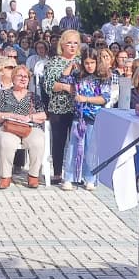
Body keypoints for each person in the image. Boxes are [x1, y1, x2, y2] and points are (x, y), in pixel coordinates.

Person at [0, 64, 46, 188]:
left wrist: (30, 117)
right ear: (13, 78)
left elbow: (43, 115)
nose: (23, 79)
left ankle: (33, 176)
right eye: (19, 76)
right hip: (9, 127)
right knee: (6, 142)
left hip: (29, 127)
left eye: (25, 77)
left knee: (38, 141)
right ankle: (5, 177)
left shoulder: (33, 96)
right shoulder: (4, 94)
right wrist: (12, 115)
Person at [42, 27, 81, 186]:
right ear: (62, 44)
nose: (72, 46)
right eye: (69, 43)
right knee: (59, 141)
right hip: (59, 107)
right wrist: (66, 87)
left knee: (78, 141)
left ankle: (76, 174)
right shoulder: (53, 62)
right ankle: (57, 173)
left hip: (78, 108)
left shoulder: (82, 62)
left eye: (75, 43)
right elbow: (48, 85)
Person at [64, 48, 108, 189]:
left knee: (91, 149)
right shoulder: (78, 75)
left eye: (92, 63)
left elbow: (104, 98)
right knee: (74, 146)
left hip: (94, 117)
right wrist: (71, 65)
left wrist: (86, 99)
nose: (89, 66)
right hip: (79, 116)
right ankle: (69, 177)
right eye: (87, 63)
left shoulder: (103, 77)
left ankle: (90, 178)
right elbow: (63, 79)